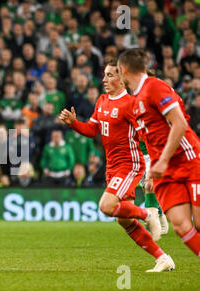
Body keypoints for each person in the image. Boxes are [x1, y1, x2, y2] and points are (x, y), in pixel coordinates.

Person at [59, 60, 174, 272]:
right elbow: (92, 130)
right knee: (123, 219)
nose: (104, 79)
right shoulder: (102, 100)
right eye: (104, 75)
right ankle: (162, 258)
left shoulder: (131, 104)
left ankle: (148, 213)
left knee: (106, 206)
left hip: (129, 165)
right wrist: (74, 123)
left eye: (110, 75)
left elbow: (147, 136)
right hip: (112, 167)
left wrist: (152, 167)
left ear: (122, 79)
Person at [118, 48, 200, 260]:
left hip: (188, 159)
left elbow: (180, 123)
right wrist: (153, 169)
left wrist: (161, 161)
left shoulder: (155, 87)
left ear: (123, 70)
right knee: (181, 225)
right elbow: (152, 140)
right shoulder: (135, 101)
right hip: (165, 169)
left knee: (198, 223)